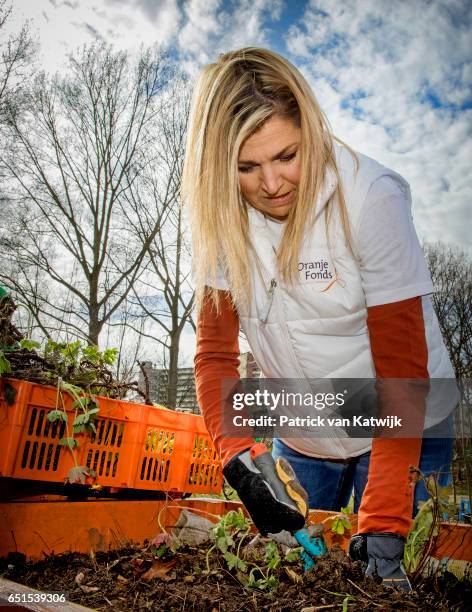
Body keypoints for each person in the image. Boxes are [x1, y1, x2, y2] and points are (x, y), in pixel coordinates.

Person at [182, 48, 456, 590]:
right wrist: (239, 455)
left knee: (405, 577)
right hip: (307, 424)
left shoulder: (369, 199)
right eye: (246, 167)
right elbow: (214, 354)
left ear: (309, 127)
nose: (272, 183)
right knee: (291, 578)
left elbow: (401, 376)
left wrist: (383, 524)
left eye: (287, 155)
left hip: (408, 419)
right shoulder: (220, 218)